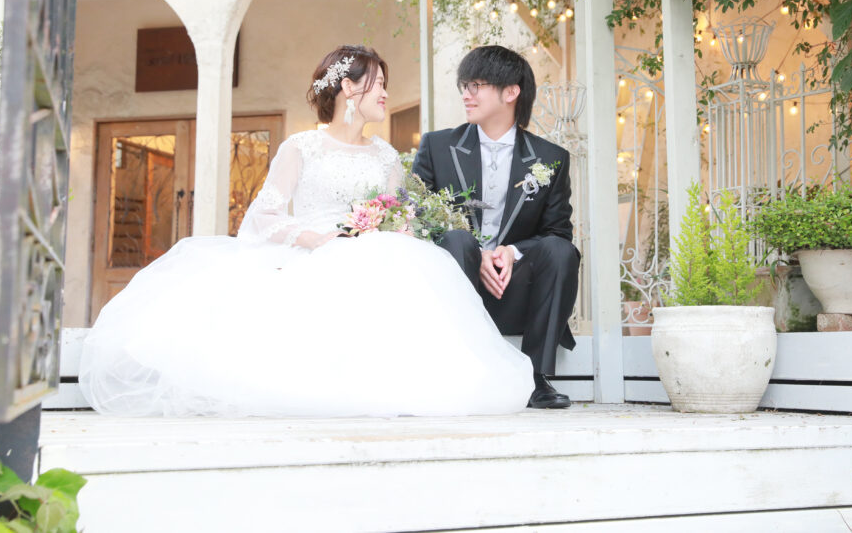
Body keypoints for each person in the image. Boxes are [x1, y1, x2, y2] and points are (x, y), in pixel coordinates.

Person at [79, 45, 534, 417]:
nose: (385, 94)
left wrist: (399, 232)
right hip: (313, 252)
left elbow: (400, 216)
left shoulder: (386, 156)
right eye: (378, 83)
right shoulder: (302, 147)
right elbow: (264, 215)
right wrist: (316, 240)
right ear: (349, 87)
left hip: (377, 255)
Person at [412, 45, 580, 410]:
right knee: (457, 240)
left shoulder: (550, 159)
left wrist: (512, 252)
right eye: (464, 85)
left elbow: (557, 233)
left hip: (510, 289)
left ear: (511, 92)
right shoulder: (438, 147)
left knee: (561, 251)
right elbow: (417, 220)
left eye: (476, 85)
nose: (466, 94)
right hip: (453, 286)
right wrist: (475, 251)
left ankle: (535, 377)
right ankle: (456, 368)